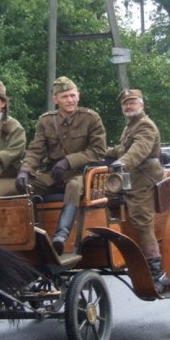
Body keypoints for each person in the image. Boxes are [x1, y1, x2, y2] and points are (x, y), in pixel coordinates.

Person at [16, 76, 106, 254]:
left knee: (73, 186)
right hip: (53, 175)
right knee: (24, 185)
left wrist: (68, 161)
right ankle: (29, 237)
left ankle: (60, 236)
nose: (70, 100)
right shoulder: (46, 121)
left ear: (78, 96)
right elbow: (36, 150)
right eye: (65, 97)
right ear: (55, 100)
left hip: (81, 174)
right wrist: (25, 171)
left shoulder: (90, 118)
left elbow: (98, 151)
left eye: (72, 95)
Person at [104, 88, 170, 293]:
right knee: (102, 205)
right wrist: (98, 153)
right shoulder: (130, 127)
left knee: (141, 220)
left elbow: (138, 150)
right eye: (125, 104)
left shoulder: (146, 126)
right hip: (128, 179)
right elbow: (121, 149)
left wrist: (120, 163)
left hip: (145, 181)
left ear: (141, 104)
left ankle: (157, 273)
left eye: (132, 102)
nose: (128, 106)